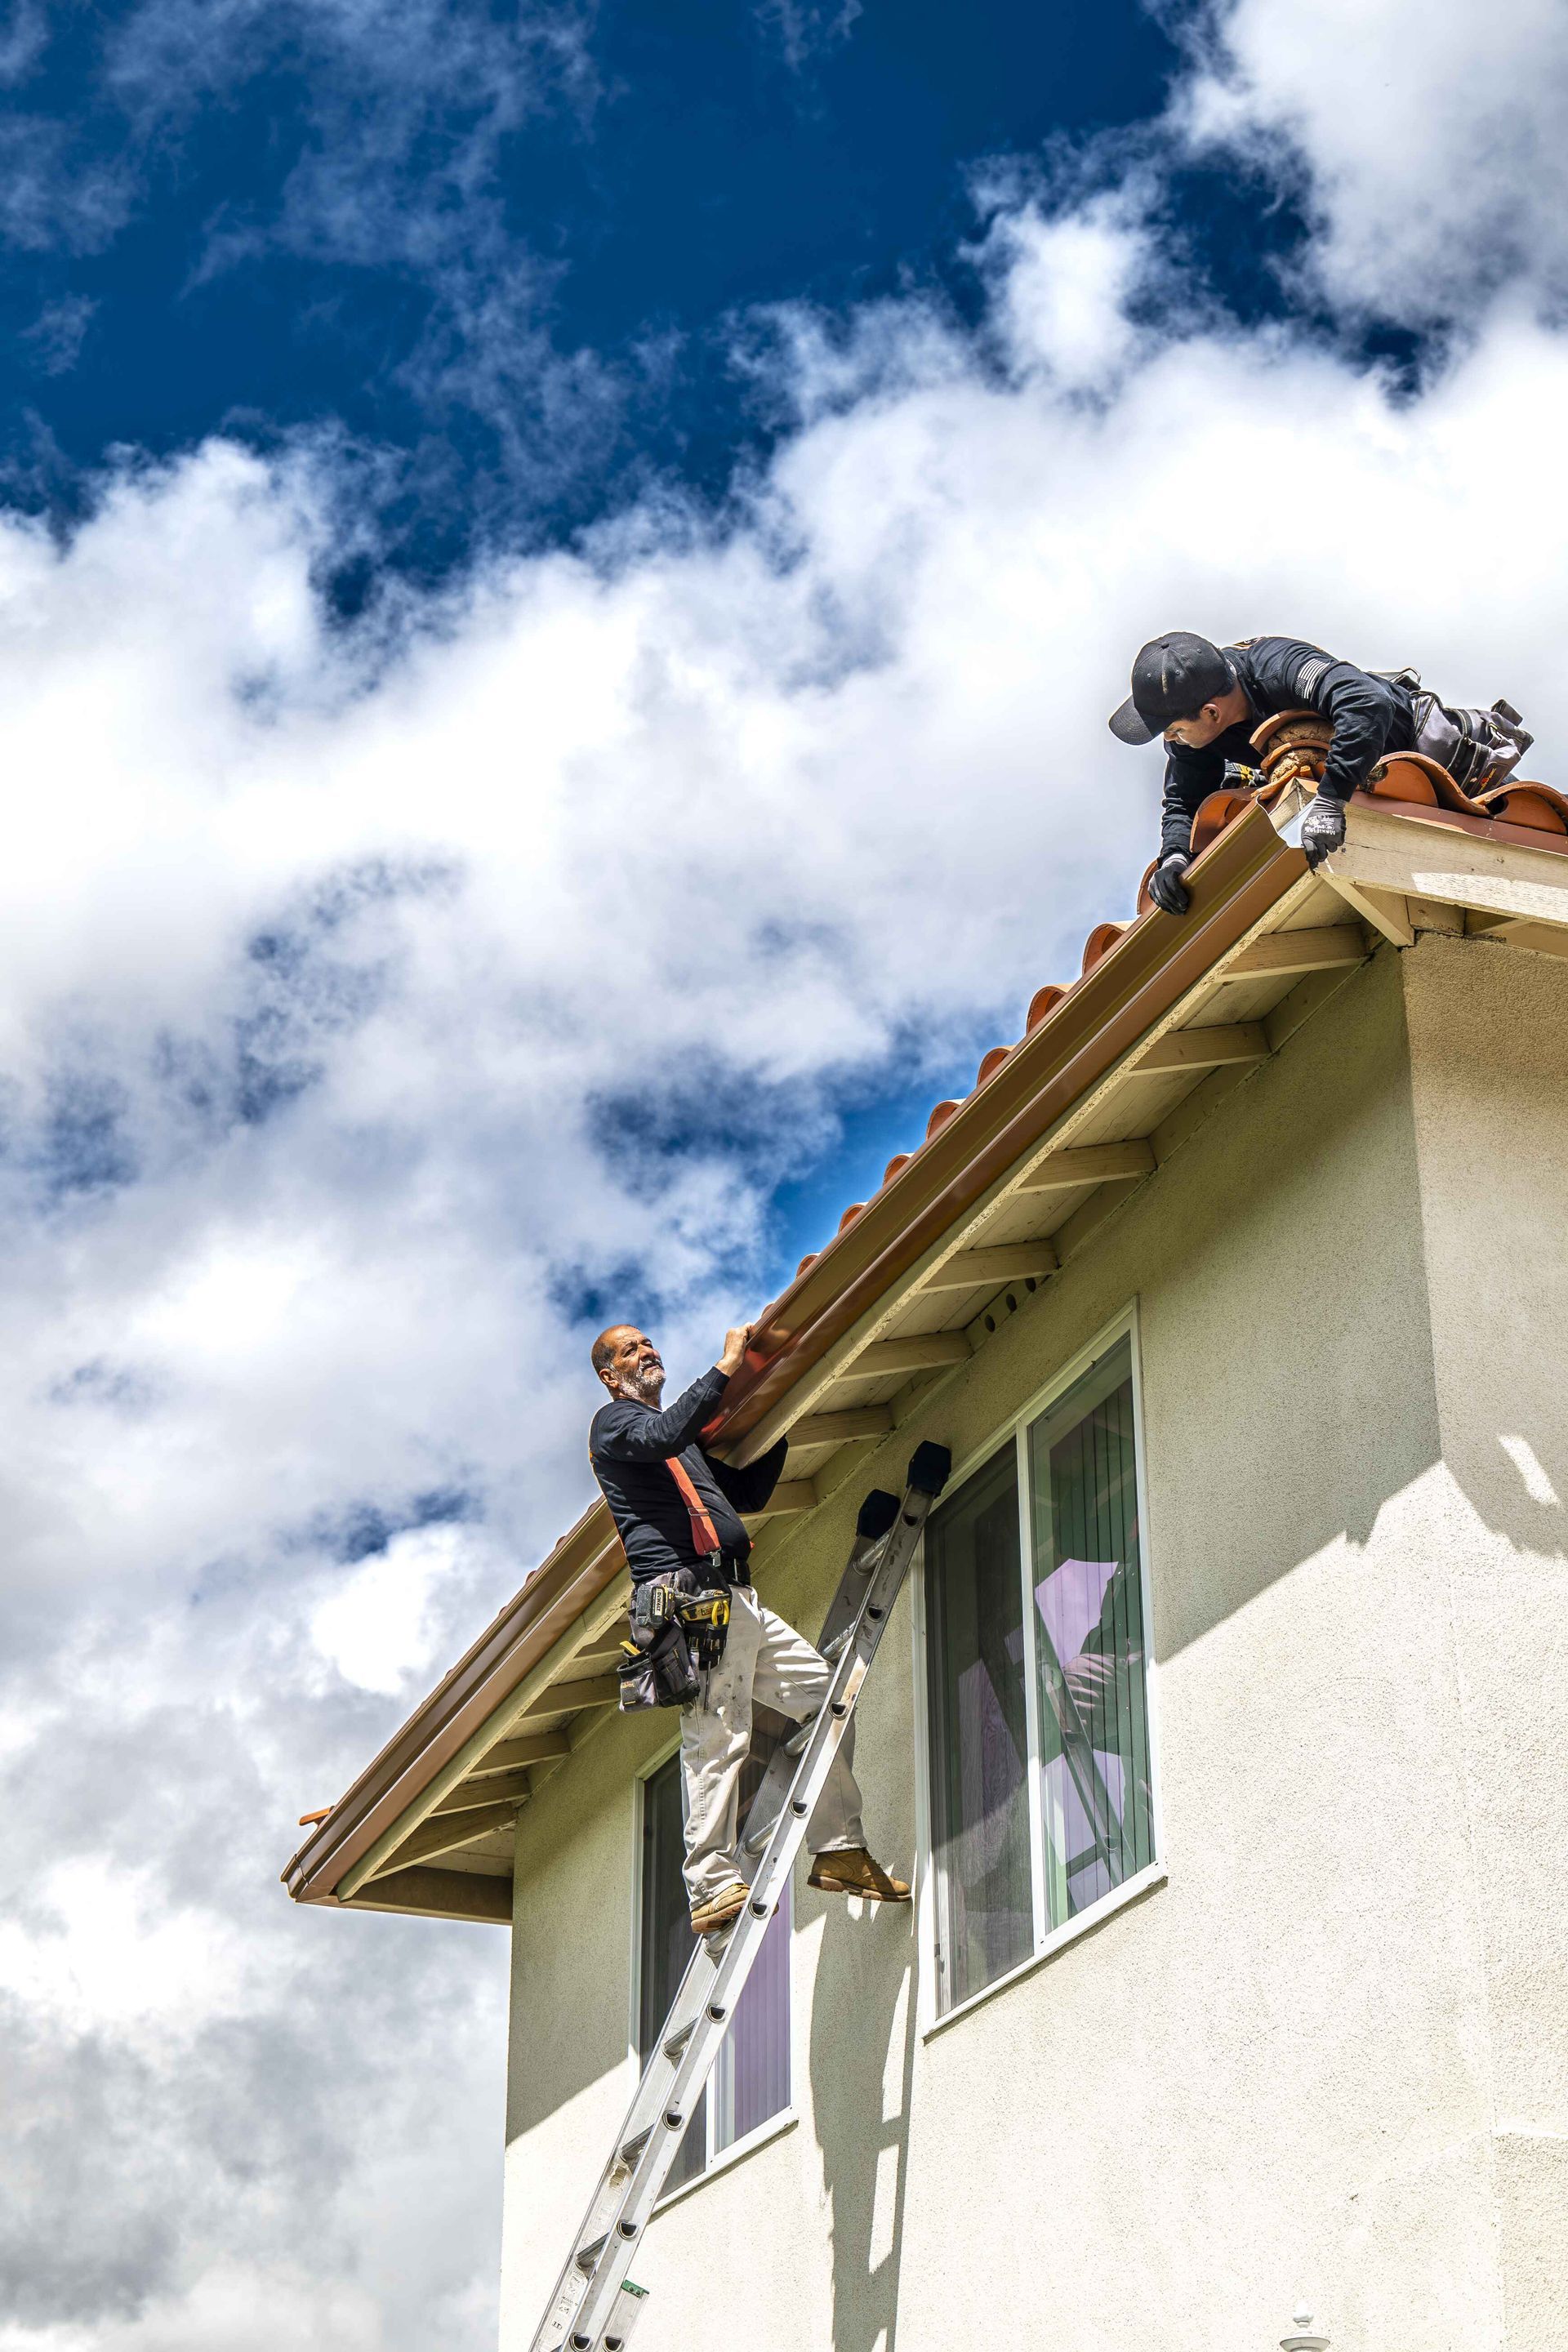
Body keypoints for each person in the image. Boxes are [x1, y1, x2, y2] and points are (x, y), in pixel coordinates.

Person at [589, 1321, 911, 1936]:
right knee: (718, 1734)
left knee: (828, 1696)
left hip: (732, 1596)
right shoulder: (618, 1427)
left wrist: (783, 1410)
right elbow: (664, 1431)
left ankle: (840, 1848)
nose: (647, 1351)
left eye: (648, 1343)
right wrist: (727, 1367)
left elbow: (747, 1489)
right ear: (611, 1377)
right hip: (687, 1600)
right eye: (630, 1350)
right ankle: (711, 1884)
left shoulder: (675, 1444)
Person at [1108, 632, 1533, 910]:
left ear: (1210, 712)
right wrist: (1176, 857)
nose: (1172, 740)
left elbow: (1368, 704)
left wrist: (1330, 801)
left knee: (1530, 849)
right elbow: (1184, 799)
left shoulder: (1277, 665)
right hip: (1365, 788)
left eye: (1175, 729)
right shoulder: (1195, 737)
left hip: (1444, 769)